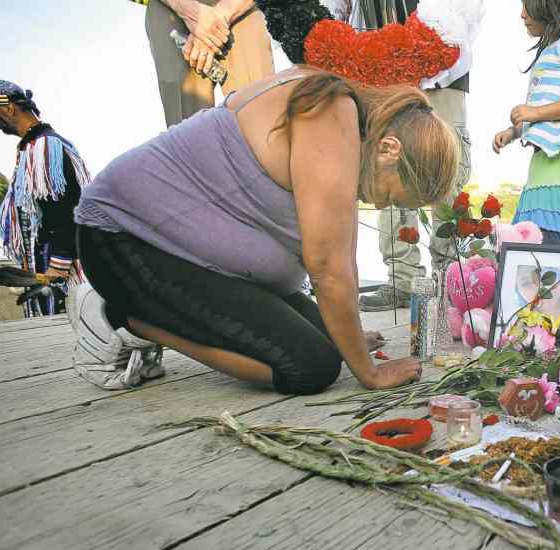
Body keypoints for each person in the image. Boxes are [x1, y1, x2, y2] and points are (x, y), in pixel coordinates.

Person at [74, 67, 459, 394]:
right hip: (123, 240)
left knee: (331, 338)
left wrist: (351, 339)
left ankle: (140, 312)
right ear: (390, 149)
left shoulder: (344, 119)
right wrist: (369, 371)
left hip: (184, 255)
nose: (381, 205)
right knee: (310, 367)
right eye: (392, 195)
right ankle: (120, 316)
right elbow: (328, 265)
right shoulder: (330, 112)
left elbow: (335, 261)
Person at [355, 0, 479, 312]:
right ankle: (402, 281)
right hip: (384, 76)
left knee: (445, 177)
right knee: (391, 174)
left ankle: (451, 279)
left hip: (442, 75)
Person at [0, 80, 90, 317]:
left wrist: (55, 271)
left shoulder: (44, 148)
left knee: (60, 335)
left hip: (60, 268)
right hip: (48, 262)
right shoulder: (37, 146)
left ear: (8, 108)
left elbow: (63, 212)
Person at [493, 0, 560, 247]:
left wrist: (535, 112)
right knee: (541, 229)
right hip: (547, 152)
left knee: (537, 231)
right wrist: (513, 132)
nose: (522, 15)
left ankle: (541, 281)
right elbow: (542, 111)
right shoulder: (549, 48)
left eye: (527, 6)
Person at [135, 0, 275, 126]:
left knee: (259, 117)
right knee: (188, 130)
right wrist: (186, 8)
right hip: (170, 7)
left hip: (242, 7)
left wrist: (217, 18)